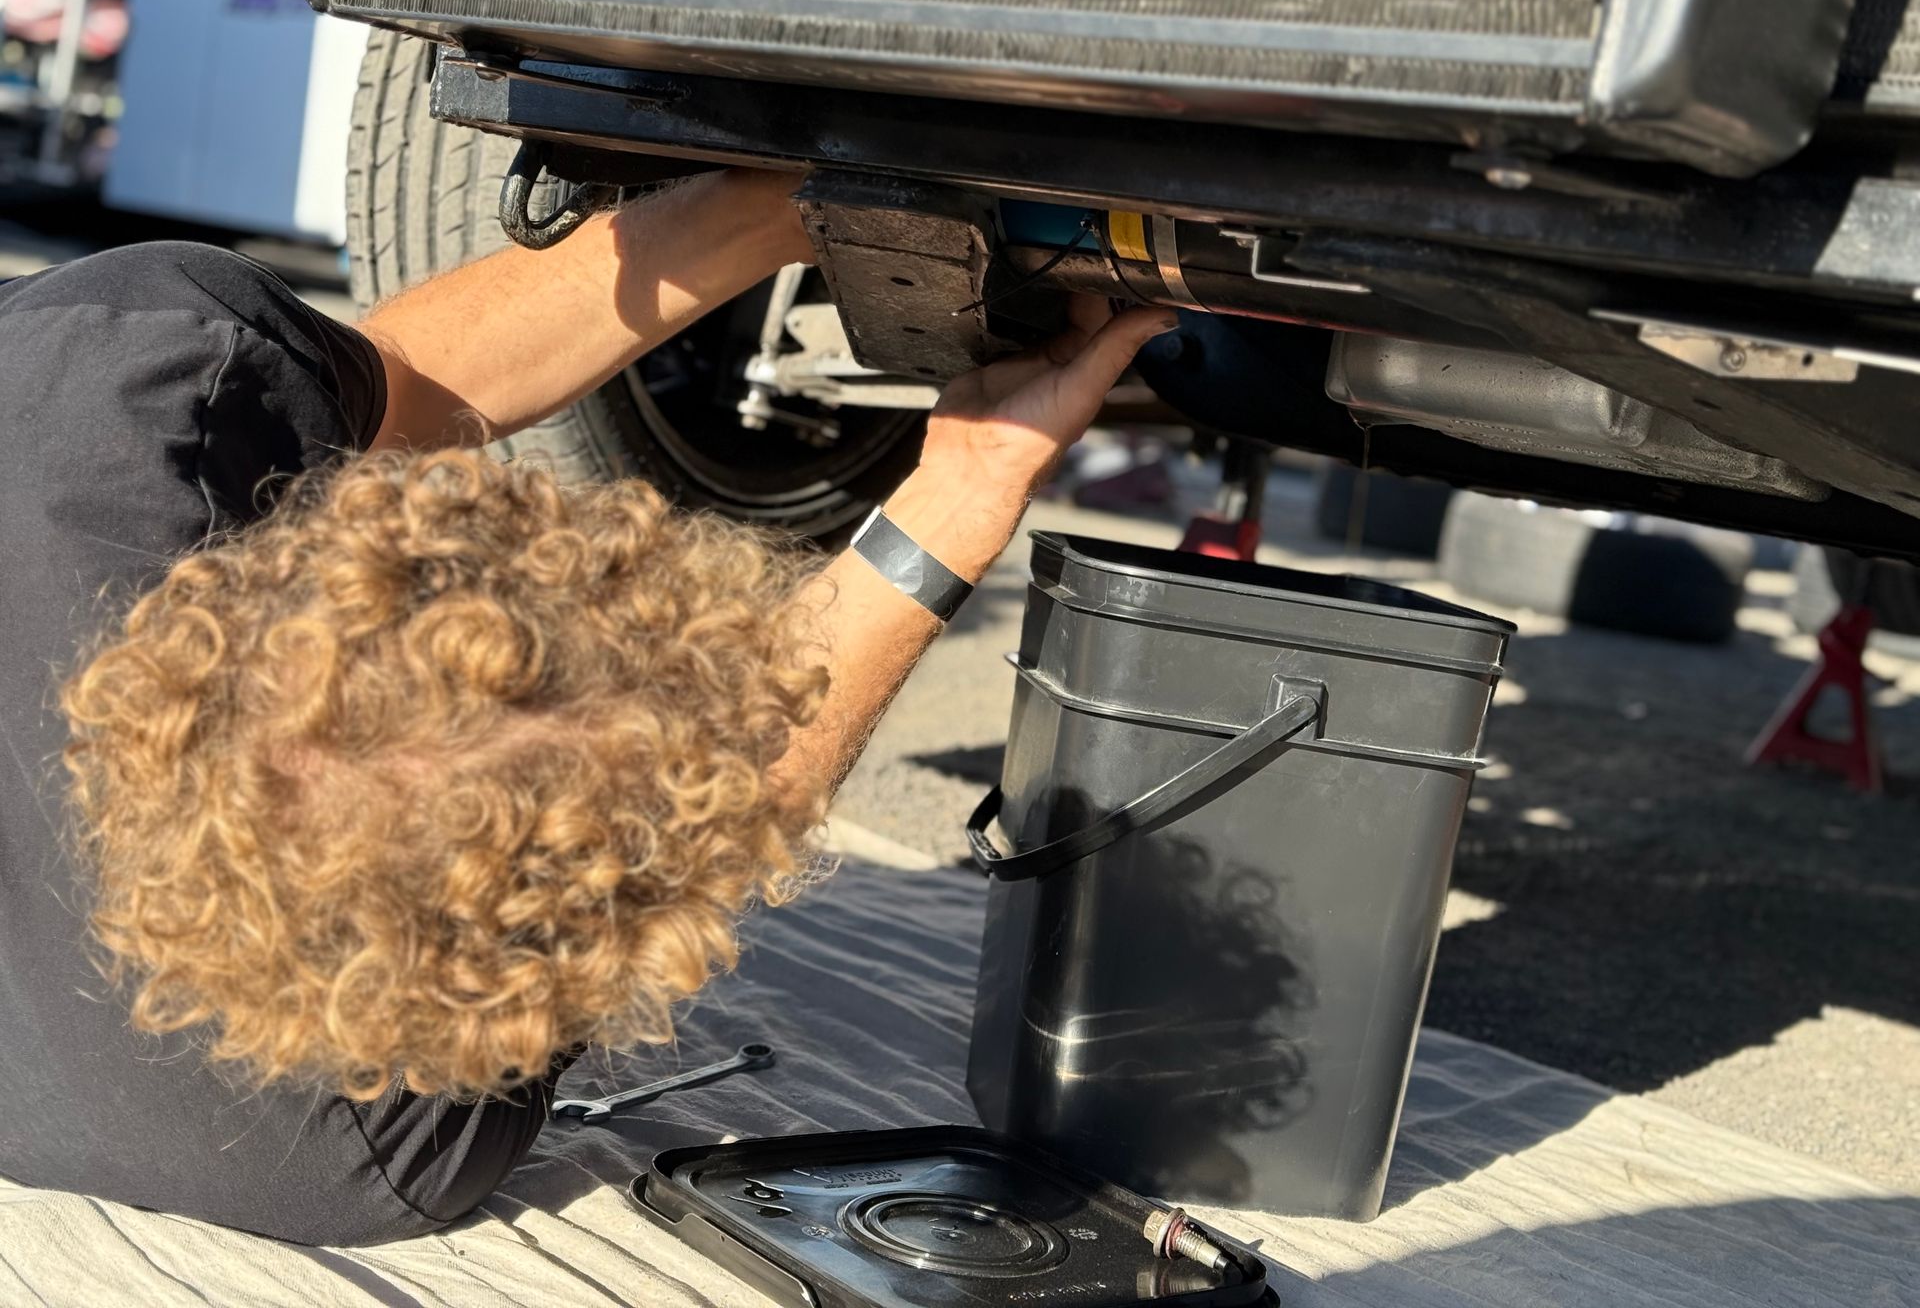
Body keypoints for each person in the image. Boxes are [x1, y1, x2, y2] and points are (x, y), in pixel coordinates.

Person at [0, 168, 1174, 1246]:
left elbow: (422, 383)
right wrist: (965, 478)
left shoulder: (121, 384)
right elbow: (704, 807)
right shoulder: (375, 1138)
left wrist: (807, 198)